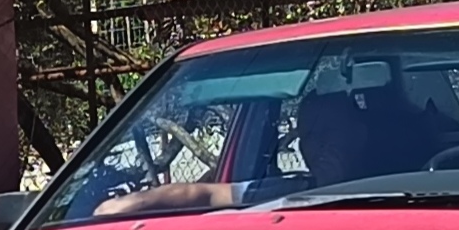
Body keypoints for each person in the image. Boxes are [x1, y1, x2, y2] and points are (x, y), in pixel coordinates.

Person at [93, 90, 372, 218]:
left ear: (361, 133)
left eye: (330, 133)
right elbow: (204, 194)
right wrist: (136, 203)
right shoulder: (290, 191)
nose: (317, 146)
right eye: (308, 136)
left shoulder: (401, 192)